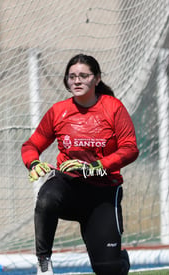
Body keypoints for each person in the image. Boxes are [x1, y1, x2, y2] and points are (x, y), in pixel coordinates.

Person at [21, 53, 139, 275]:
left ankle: (119, 259)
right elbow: (30, 145)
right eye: (72, 76)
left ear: (96, 79)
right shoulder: (58, 111)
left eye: (84, 76)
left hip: (103, 193)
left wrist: (97, 166)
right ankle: (43, 261)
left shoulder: (113, 108)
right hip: (68, 187)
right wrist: (33, 163)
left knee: (108, 269)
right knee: (46, 198)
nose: (77, 81)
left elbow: (130, 148)